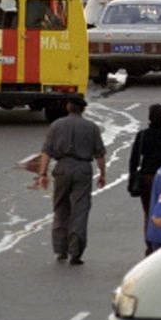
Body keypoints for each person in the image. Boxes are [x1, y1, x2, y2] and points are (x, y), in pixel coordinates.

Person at [36, 93, 107, 265]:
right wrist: (102, 173)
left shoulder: (56, 125)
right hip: (82, 169)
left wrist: (42, 174)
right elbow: (100, 154)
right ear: (83, 109)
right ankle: (76, 251)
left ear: (68, 107)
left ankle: (61, 249)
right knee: (80, 209)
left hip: (62, 168)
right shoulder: (91, 127)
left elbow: (46, 152)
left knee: (61, 207)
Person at [128, 104, 161, 254]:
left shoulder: (142, 135)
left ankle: (150, 244)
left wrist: (133, 177)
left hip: (147, 177)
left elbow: (134, 160)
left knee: (148, 212)